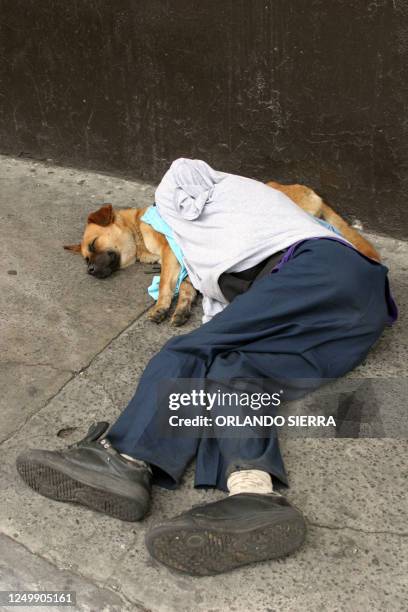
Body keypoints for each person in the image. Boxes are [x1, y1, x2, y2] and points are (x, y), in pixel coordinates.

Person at [16, 159, 397, 576]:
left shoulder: (186, 191)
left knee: (190, 353)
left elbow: (185, 170)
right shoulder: (222, 245)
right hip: (360, 315)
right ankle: (252, 495)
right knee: (234, 375)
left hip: (317, 268)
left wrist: (163, 209)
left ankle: (126, 456)